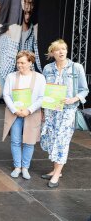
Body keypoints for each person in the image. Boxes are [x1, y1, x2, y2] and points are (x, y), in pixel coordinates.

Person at [40, 39, 89, 188]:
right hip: (51, 110)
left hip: (68, 111)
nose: (61, 51)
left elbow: (84, 89)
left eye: (64, 49)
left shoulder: (76, 68)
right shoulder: (48, 69)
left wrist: (74, 98)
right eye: (57, 49)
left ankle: (56, 174)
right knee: (52, 139)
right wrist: (43, 110)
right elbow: (44, 90)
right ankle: (56, 170)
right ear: (52, 53)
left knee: (62, 140)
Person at [2, 51, 46, 180]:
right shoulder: (11, 76)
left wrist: (29, 110)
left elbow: (42, 97)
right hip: (15, 113)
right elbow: (6, 95)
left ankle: (25, 167)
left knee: (29, 142)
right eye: (18, 62)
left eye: (23, 62)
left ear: (30, 63)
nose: (19, 65)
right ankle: (17, 167)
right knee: (15, 141)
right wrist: (15, 110)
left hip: (32, 113)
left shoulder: (39, 78)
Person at [17, 0, 42, 73]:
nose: (28, 7)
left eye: (32, 3)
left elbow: (39, 66)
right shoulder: (11, 32)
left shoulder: (35, 32)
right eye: (27, 1)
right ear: (22, 2)